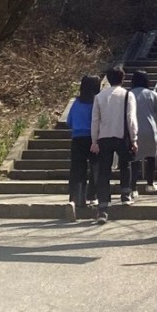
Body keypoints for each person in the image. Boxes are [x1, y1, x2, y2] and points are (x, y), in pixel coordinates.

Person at [90, 65, 138, 222]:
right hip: (122, 135)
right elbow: (131, 119)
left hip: (104, 137)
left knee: (104, 172)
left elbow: (95, 120)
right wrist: (134, 138)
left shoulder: (99, 96)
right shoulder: (127, 95)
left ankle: (102, 208)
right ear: (123, 78)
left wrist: (94, 140)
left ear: (108, 79)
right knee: (126, 165)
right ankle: (125, 194)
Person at [66, 74, 101, 214]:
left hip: (77, 138)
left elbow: (69, 121)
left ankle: (76, 198)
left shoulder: (76, 102)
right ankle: (93, 195)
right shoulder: (97, 102)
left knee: (77, 169)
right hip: (94, 139)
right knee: (95, 167)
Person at [129, 70, 157, 194]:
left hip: (133, 130)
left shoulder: (129, 94)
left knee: (135, 159)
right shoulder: (152, 94)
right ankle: (150, 183)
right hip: (150, 130)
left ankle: (133, 188)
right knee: (151, 156)